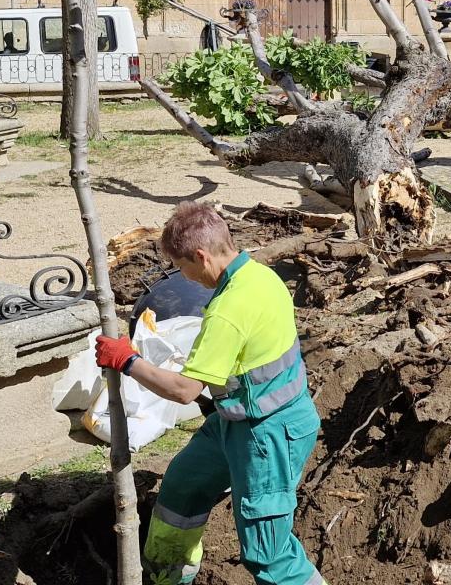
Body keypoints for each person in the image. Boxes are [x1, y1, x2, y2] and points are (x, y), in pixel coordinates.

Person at [94, 202, 324, 585]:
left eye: (182, 268)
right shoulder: (259, 275)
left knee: (269, 555)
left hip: (268, 436)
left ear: (200, 256)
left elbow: (184, 391)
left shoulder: (228, 311)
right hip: (235, 421)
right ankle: (166, 576)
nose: (184, 278)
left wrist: (128, 361)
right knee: (183, 489)